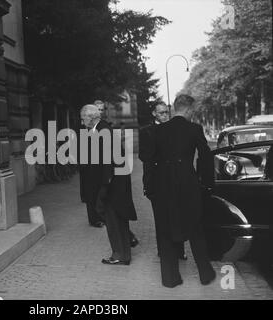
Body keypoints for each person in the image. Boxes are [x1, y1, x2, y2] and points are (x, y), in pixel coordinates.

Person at [143, 94, 216, 288]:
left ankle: (170, 278)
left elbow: (148, 161)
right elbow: (206, 158)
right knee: (195, 226)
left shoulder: (157, 130)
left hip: (162, 184)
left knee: (164, 229)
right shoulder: (194, 129)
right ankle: (205, 274)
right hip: (188, 183)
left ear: (174, 108)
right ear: (189, 109)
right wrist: (206, 183)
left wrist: (148, 186)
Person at [79, 104, 137, 264]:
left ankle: (120, 255)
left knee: (113, 219)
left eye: (83, 117)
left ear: (91, 117)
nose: (82, 121)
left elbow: (108, 162)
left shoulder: (103, 131)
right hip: (114, 181)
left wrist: (105, 185)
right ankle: (123, 251)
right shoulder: (100, 129)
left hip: (112, 183)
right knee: (115, 218)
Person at [139, 102, 187, 260]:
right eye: (161, 113)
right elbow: (144, 157)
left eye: (167, 112)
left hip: (176, 180)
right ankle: (164, 250)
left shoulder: (177, 130)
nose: (165, 115)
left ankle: (180, 251)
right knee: (160, 218)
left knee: (178, 215)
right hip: (156, 181)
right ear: (154, 114)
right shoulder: (146, 132)